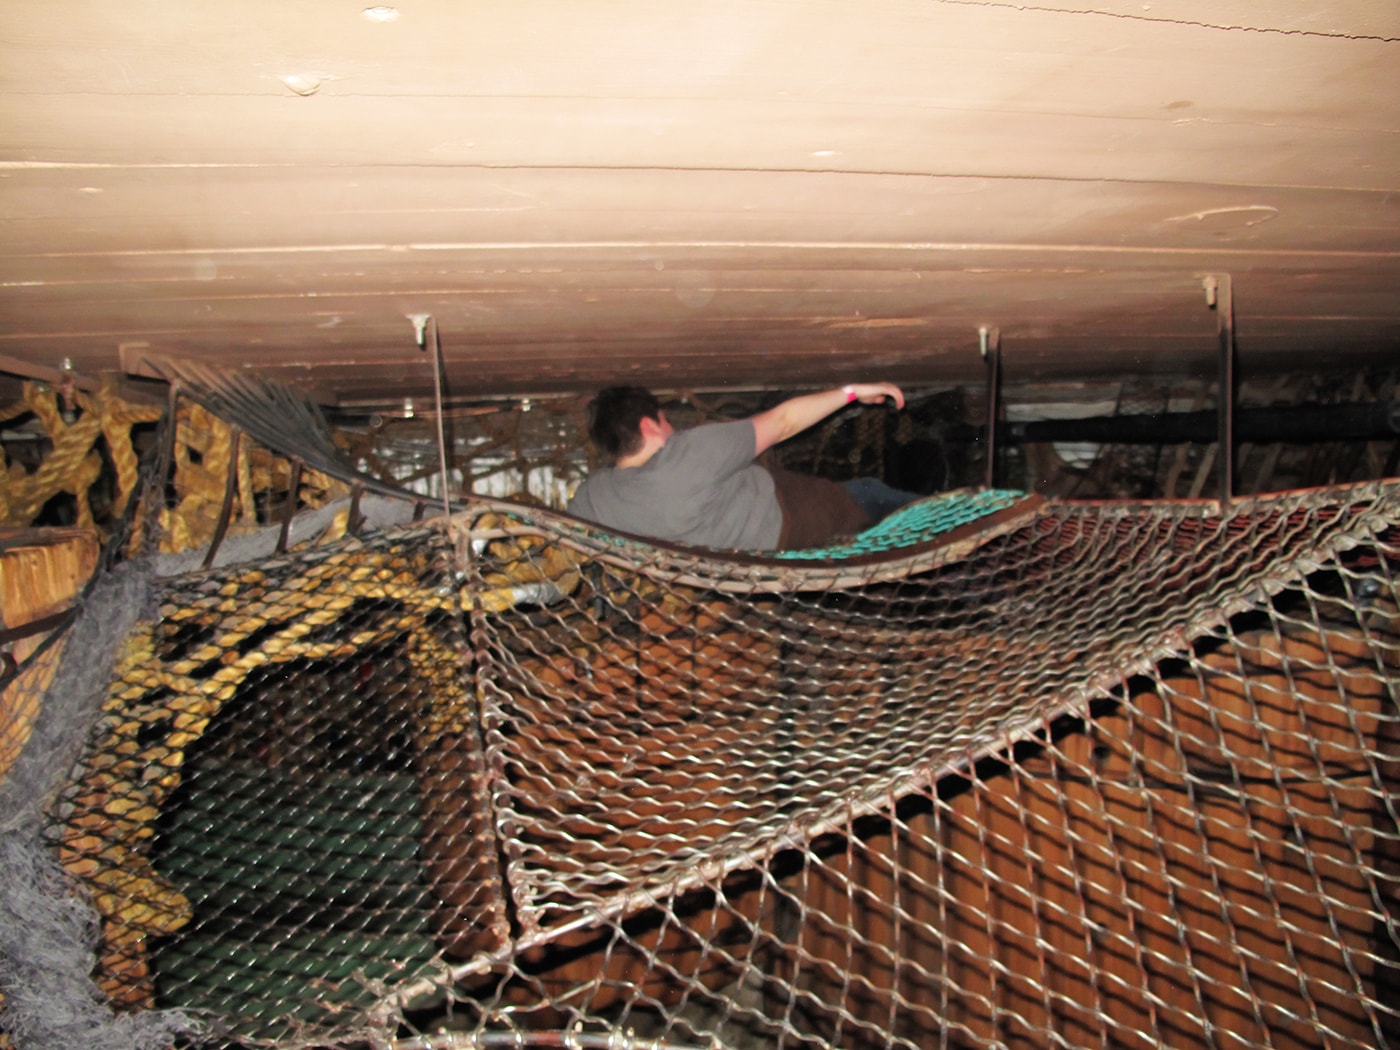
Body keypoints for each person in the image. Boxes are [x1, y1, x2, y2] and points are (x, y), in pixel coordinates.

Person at [567, 383, 922, 551]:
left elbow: (568, 527)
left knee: (876, 541)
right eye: (665, 420)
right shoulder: (687, 457)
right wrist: (852, 393)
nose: (672, 428)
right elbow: (783, 421)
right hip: (796, 516)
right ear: (649, 426)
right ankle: (969, 520)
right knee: (872, 495)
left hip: (762, 561)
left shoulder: (596, 498)